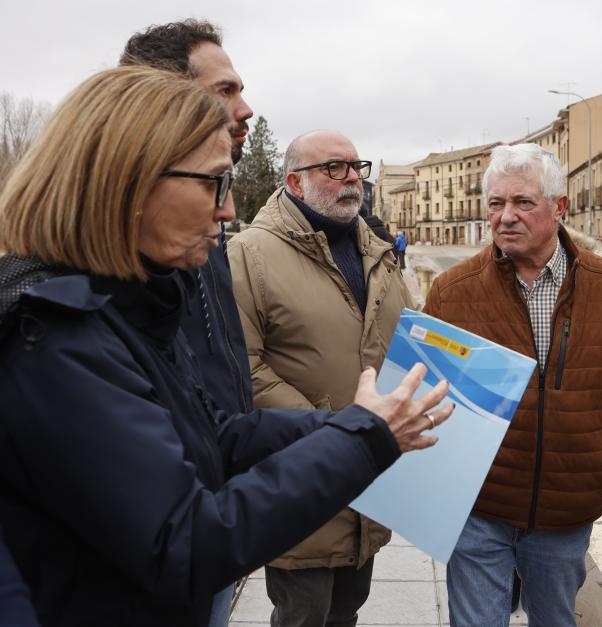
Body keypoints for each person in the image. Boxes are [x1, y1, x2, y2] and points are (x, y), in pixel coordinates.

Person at [0, 65, 452, 627]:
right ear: (129, 182)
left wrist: (354, 422)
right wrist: (363, 440)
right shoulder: (54, 342)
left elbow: (217, 432)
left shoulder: (129, 308)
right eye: (214, 182)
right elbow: (185, 542)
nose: (228, 210)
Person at [423, 144, 602, 626]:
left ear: (559, 208)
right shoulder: (452, 292)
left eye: (522, 203)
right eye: (496, 204)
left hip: (564, 512)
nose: (505, 217)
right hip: (479, 510)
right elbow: (427, 393)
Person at [228, 130, 413, 627]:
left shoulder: (376, 251)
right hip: (299, 476)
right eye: (334, 167)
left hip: (367, 474)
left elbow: (405, 339)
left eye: (356, 166)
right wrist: (330, 427)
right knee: (303, 615)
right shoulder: (249, 254)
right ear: (294, 181)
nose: (352, 177)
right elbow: (242, 367)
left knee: (347, 610)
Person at [121, 20, 254, 418]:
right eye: (225, 91)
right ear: (162, 99)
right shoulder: (114, 259)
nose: (246, 110)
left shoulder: (205, 228)